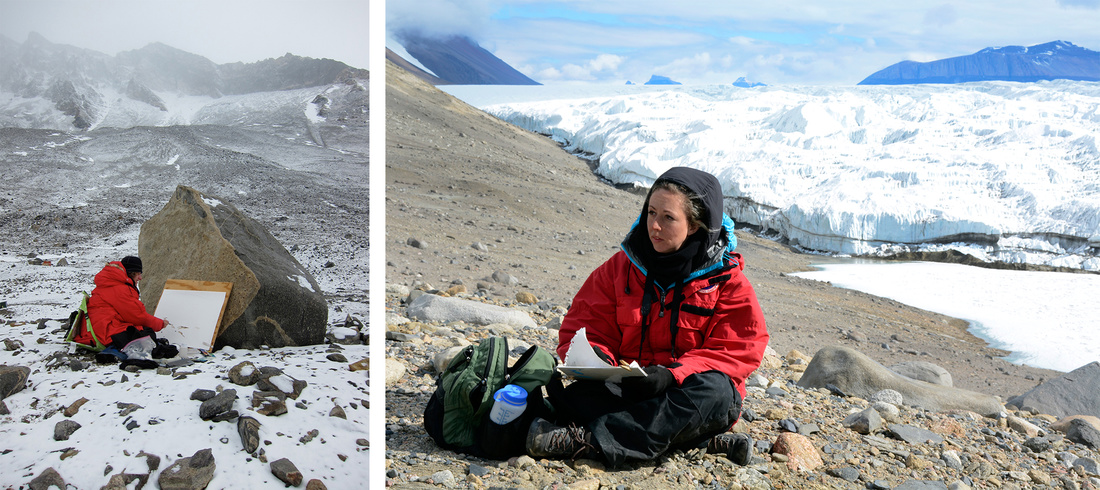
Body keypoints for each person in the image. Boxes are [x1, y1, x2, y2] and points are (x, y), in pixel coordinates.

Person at [527, 166, 769, 468]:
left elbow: (737, 351)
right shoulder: (620, 268)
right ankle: (696, 439)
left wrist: (672, 374)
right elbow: (585, 327)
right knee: (570, 396)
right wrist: (602, 363)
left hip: (683, 393)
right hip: (628, 389)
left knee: (717, 393)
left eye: (668, 218)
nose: (654, 226)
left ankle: (588, 441)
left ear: (694, 225)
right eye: (651, 213)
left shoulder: (727, 282)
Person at [75, 256, 170, 362]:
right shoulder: (120, 289)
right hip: (102, 332)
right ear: (131, 273)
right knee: (145, 333)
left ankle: (116, 349)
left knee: (141, 331)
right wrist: (160, 323)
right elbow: (137, 316)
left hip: (95, 328)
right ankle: (113, 351)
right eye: (138, 274)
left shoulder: (113, 283)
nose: (140, 278)